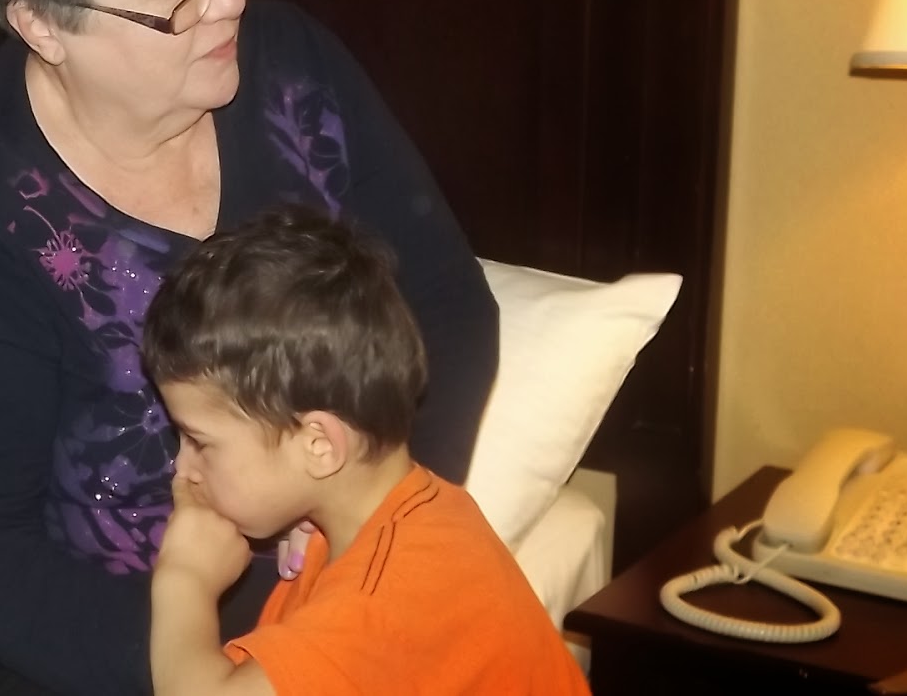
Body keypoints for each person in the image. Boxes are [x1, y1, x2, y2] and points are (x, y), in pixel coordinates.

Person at [0, 0, 499, 692]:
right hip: (80, 658)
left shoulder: (296, 73)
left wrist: (374, 552)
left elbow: (448, 311)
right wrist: (222, 659)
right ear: (43, 23)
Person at [143, 205, 589, 695]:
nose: (182, 469)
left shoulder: (396, 593)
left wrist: (185, 578)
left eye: (199, 441)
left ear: (319, 445)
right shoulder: (395, 520)